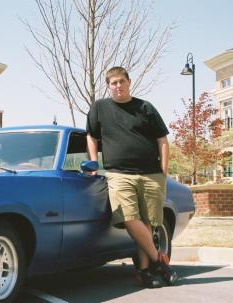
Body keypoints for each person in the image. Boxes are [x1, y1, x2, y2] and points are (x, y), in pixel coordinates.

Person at [86, 66, 177, 288]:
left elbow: (162, 140)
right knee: (128, 217)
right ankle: (160, 262)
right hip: (119, 174)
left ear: (128, 82)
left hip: (151, 174)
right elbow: (91, 137)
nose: (118, 86)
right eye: (113, 83)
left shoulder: (145, 107)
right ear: (108, 86)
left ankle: (145, 272)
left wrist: (163, 172)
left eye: (121, 82)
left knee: (147, 223)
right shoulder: (99, 108)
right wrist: (93, 163)